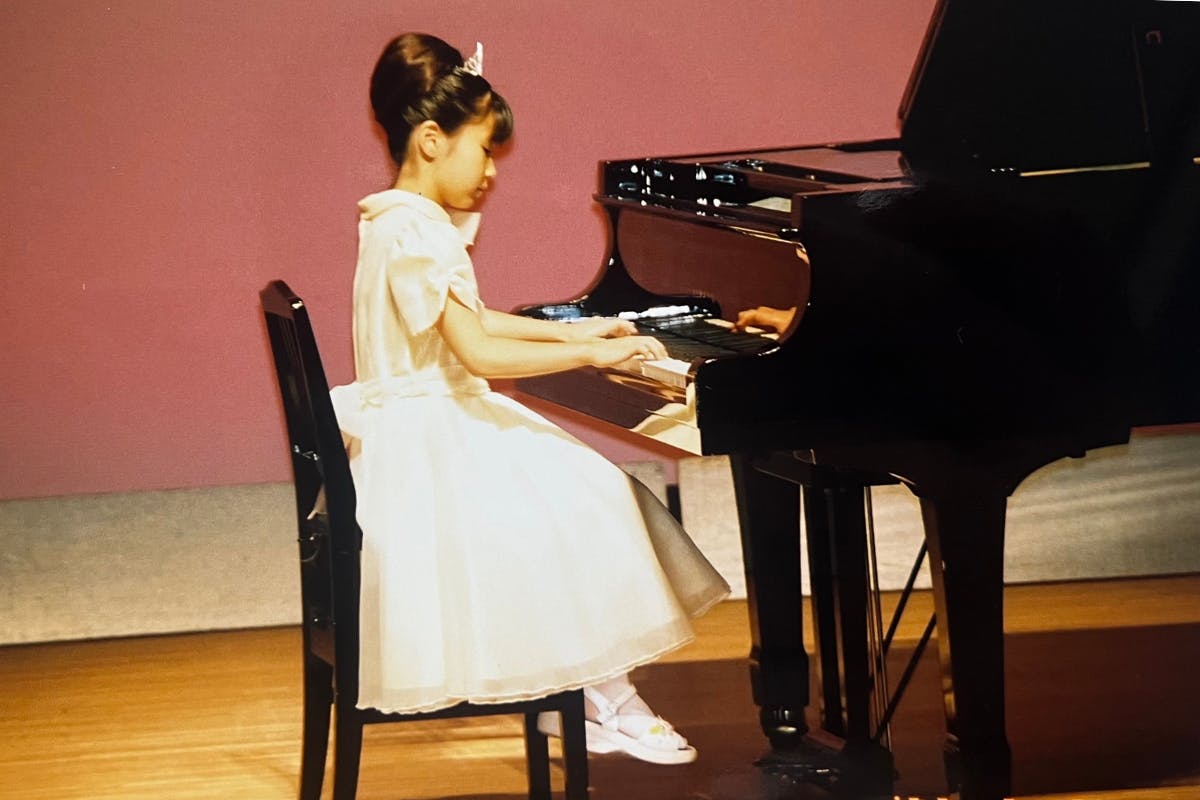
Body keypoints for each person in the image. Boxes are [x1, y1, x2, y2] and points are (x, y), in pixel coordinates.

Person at [329, 33, 729, 766]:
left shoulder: (393, 220)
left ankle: (593, 698)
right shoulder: (420, 234)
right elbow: (478, 354)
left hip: (414, 431)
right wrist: (590, 352)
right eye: (484, 151)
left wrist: (576, 328)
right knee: (591, 502)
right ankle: (603, 702)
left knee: (582, 500)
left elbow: (468, 320)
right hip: (429, 445)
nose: (490, 172)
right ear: (431, 140)